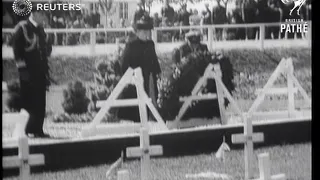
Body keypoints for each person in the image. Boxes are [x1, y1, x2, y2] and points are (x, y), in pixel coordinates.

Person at [171, 29, 234, 119]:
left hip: (202, 75)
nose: (195, 47)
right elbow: (177, 67)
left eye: (196, 44)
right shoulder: (180, 50)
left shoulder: (203, 47)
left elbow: (207, 61)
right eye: (192, 44)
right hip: (186, 77)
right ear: (187, 41)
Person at [12, 7, 53, 138]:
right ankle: (25, 129)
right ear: (34, 14)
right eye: (42, 14)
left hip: (40, 72)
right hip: (28, 72)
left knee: (40, 101)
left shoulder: (40, 29)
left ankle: (37, 129)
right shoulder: (22, 28)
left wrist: (49, 42)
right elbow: (17, 51)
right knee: (28, 100)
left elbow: (45, 52)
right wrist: (23, 71)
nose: (44, 17)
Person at [118, 14, 161, 122]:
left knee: (151, 97)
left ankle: (152, 117)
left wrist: (158, 72)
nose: (147, 35)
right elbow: (124, 63)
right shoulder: (131, 45)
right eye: (144, 32)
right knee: (135, 100)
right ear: (138, 33)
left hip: (149, 76)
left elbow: (154, 59)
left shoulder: (150, 44)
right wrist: (130, 77)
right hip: (135, 77)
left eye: (148, 32)